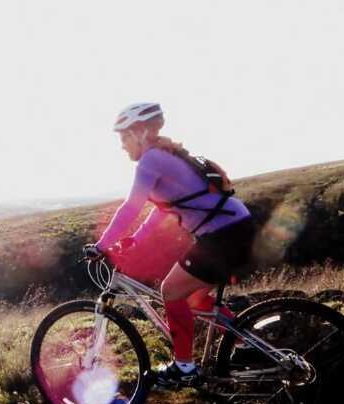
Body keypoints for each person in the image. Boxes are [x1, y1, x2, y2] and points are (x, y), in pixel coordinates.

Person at [84, 102, 256, 386]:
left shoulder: (151, 160)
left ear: (140, 132)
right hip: (235, 229)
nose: (122, 145)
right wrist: (135, 241)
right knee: (195, 298)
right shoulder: (166, 156)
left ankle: (184, 368)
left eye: (124, 137)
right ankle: (246, 345)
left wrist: (102, 245)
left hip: (223, 235)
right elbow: (161, 209)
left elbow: (131, 207)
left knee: (170, 290)